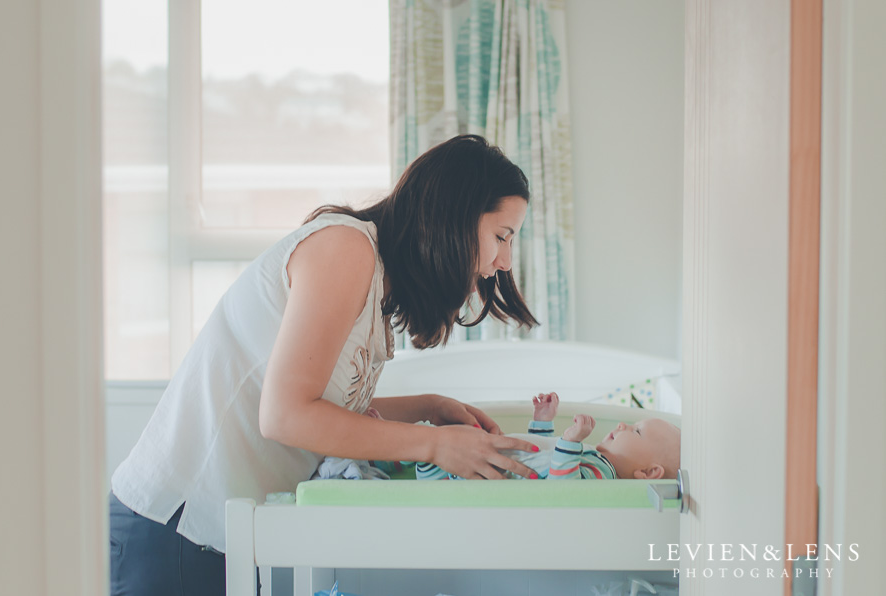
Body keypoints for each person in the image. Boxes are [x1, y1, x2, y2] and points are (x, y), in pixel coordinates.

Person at [108, 135, 543, 596]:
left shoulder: (376, 281)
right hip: (174, 525)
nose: (503, 262)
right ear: (452, 216)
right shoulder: (346, 248)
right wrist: (434, 445)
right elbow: (286, 415)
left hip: (221, 535)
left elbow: (322, 406)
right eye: (501, 236)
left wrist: (430, 406)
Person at [412, 392, 680, 480]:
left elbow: (562, 484)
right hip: (475, 458)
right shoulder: (595, 458)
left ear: (649, 472)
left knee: (425, 439)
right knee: (440, 433)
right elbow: (540, 456)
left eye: (636, 431)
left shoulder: (602, 475)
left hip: (465, 470)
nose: (622, 425)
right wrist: (542, 422)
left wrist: (571, 441)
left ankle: (384, 458)